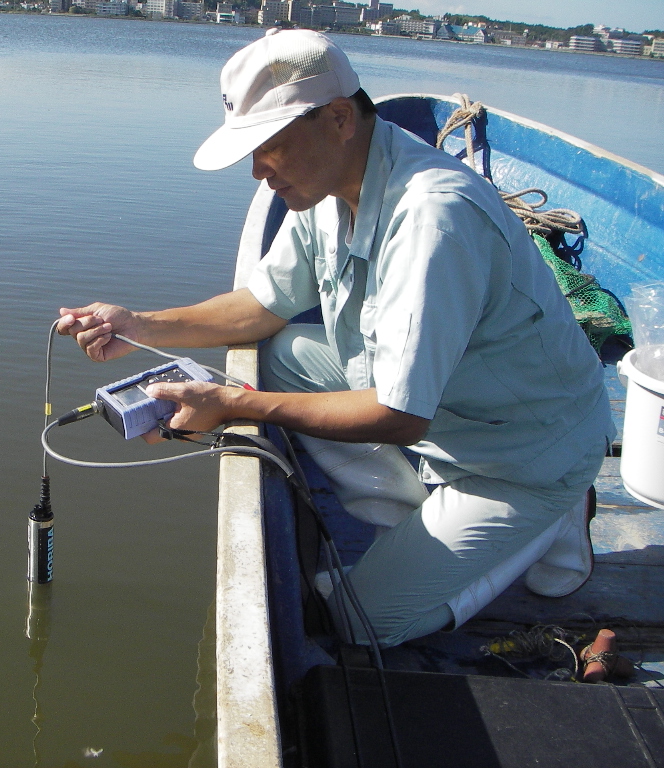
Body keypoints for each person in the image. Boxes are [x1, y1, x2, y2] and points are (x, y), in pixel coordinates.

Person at [56, 29, 615, 647]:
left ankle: (557, 517)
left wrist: (235, 406)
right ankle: (407, 512)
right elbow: (260, 309)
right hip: (455, 415)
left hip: (524, 457)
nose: (256, 171)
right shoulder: (327, 186)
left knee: (360, 621)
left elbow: (398, 416)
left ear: (340, 119)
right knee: (283, 355)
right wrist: (140, 325)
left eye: (270, 146)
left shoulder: (433, 218)